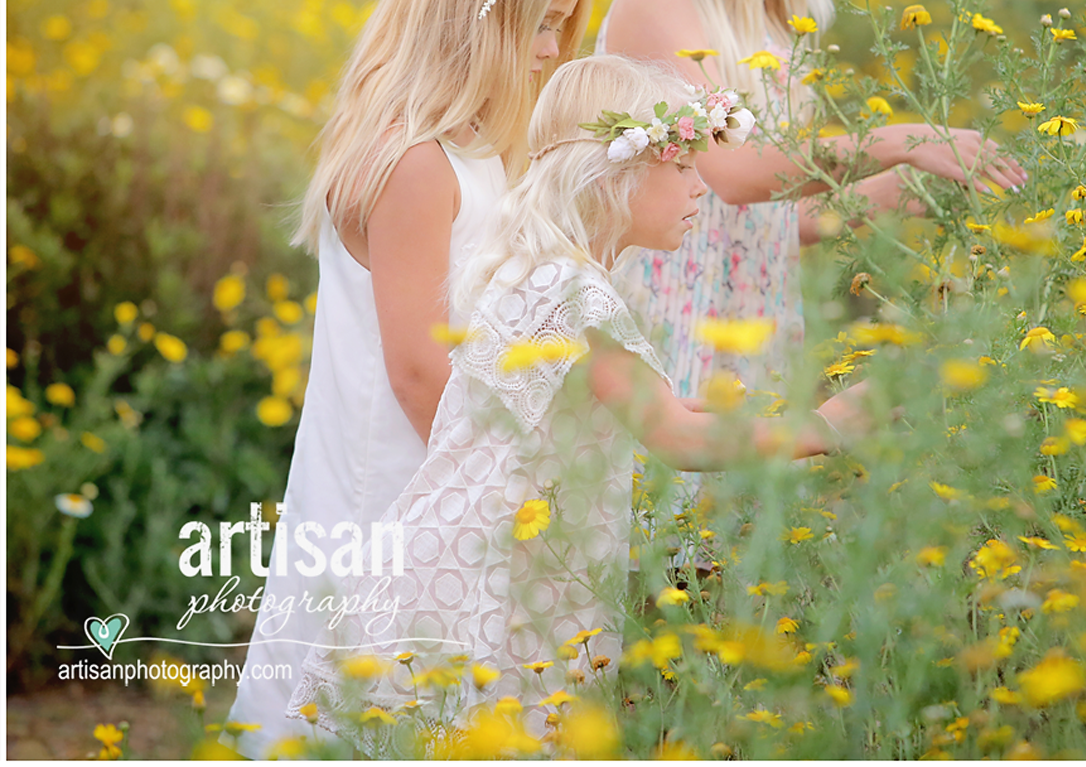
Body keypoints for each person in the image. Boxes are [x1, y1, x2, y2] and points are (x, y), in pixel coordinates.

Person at [282, 57, 867, 746]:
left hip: (466, 558)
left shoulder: (539, 270)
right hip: (495, 586)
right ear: (611, 175)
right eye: (680, 168)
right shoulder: (578, 294)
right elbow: (678, 440)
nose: (698, 187)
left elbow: (606, 405)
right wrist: (827, 424)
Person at [227, 0, 604, 756]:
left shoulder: (466, 148)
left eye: (562, 28)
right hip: (402, 476)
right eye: (540, 26)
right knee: (372, 681)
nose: (552, 51)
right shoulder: (418, 162)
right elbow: (417, 367)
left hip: (446, 457)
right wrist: (504, 489)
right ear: (474, 22)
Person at [597, 0, 1026, 412]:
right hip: (670, 328)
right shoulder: (656, 3)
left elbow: (779, 214)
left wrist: (908, 187)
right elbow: (736, 174)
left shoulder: (774, 26)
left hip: (753, 327)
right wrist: (903, 139)